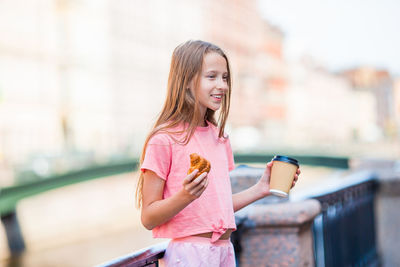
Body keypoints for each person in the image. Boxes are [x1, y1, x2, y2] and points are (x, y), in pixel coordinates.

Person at [135, 40, 300, 266]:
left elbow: (218, 208)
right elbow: (148, 218)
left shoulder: (219, 137)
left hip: (224, 250)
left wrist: (262, 188)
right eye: (211, 76)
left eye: (225, 78)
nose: (222, 85)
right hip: (190, 254)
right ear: (186, 81)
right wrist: (186, 195)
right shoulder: (163, 140)